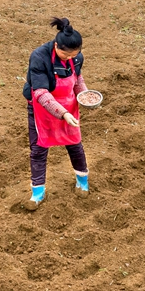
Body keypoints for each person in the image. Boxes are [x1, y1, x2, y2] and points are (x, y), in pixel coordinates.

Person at [21, 17, 90, 210]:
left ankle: (83, 181)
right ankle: (37, 193)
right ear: (56, 45)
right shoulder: (39, 57)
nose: (69, 59)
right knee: (39, 149)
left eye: (73, 56)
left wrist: (84, 95)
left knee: (75, 144)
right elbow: (41, 92)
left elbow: (77, 79)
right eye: (65, 56)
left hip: (68, 105)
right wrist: (63, 114)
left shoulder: (76, 58)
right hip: (41, 108)